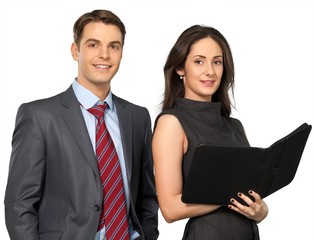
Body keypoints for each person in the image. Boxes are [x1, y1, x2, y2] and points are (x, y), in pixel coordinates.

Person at [4, 9, 159, 240]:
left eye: (113, 46)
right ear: (75, 51)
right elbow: (19, 205)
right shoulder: (39, 117)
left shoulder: (138, 117)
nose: (104, 55)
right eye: (93, 45)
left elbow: (147, 195)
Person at [152, 25, 268, 240]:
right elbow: (170, 209)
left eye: (217, 61)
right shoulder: (171, 123)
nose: (210, 71)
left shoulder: (235, 127)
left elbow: (251, 194)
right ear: (180, 68)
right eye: (199, 61)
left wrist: (261, 211)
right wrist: (230, 196)